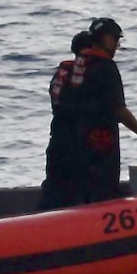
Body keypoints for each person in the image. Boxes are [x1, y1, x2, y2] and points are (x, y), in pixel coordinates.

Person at [62, 17, 137, 205]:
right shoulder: (105, 68)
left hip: (76, 140)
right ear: (108, 40)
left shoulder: (78, 65)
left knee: (83, 190)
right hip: (100, 142)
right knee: (103, 190)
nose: (116, 47)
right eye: (116, 41)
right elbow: (119, 110)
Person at [37, 30, 94, 210]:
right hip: (75, 140)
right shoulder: (82, 75)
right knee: (73, 187)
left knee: (55, 185)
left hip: (58, 137)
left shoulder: (60, 73)